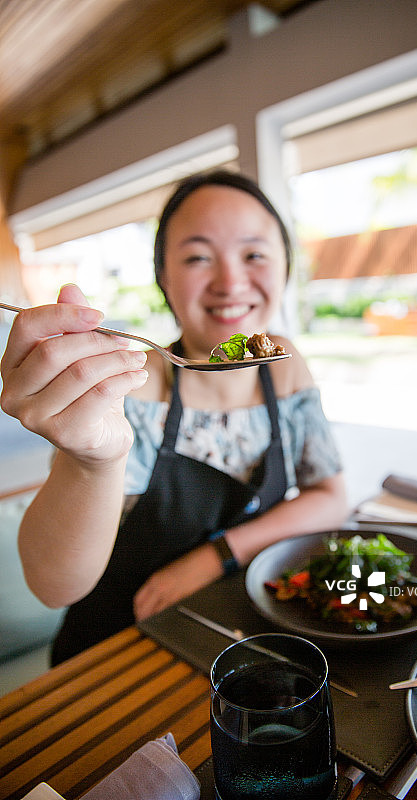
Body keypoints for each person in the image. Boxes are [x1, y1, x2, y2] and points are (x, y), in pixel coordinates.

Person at [0, 170, 348, 664]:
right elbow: (52, 586)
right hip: (118, 649)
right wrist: (92, 461)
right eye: (198, 257)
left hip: (231, 636)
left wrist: (214, 557)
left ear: (285, 268)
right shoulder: (133, 389)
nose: (231, 282)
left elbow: (330, 495)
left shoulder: (285, 364)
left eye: (253, 254)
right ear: (164, 276)